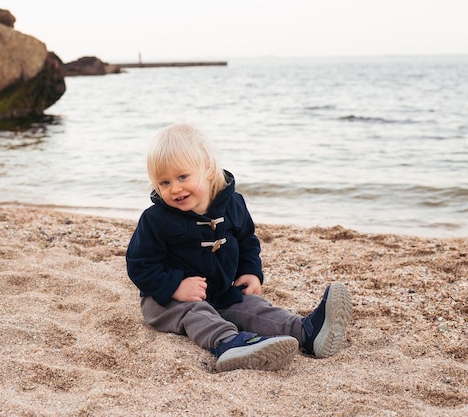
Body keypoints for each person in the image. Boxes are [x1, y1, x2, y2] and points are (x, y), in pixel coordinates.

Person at [126, 123, 352, 372]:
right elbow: (140, 264)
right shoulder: (155, 219)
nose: (175, 188)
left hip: (222, 290)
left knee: (253, 308)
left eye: (182, 177)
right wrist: (175, 286)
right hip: (166, 300)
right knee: (196, 313)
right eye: (164, 183)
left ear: (209, 170)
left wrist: (251, 270)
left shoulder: (233, 204)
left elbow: (247, 241)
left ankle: (305, 331)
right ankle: (229, 344)